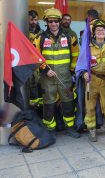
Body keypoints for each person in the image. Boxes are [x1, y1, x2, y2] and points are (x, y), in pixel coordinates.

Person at [33, 8, 80, 138]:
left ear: (59, 22)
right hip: (47, 78)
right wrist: (45, 69)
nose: (53, 24)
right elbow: (35, 57)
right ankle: (49, 128)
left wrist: (72, 71)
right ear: (46, 22)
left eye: (55, 21)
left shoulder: (70, 37)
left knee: (68, 102)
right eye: (50, 21)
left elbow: (76, 55)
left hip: (65, 77)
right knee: (48, 103)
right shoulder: (39, 38)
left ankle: (70, 127)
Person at [83, 19, 105, 142]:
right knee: (90, 106)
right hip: (91, 80)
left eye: (102, 30)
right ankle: (91, 129)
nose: (100, 32)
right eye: (97, 30)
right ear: (93, 32)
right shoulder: (87, 47)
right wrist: (83, 73)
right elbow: (81, 63)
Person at [27, 10, 44, 108]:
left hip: (39, 64)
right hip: (27, 64)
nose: (34, 22)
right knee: (31, 86)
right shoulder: (23, 32)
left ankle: (40, 109)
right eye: (31, 20)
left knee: (40, 85)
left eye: (36, 20)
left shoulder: (41, 33)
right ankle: (32, 108)